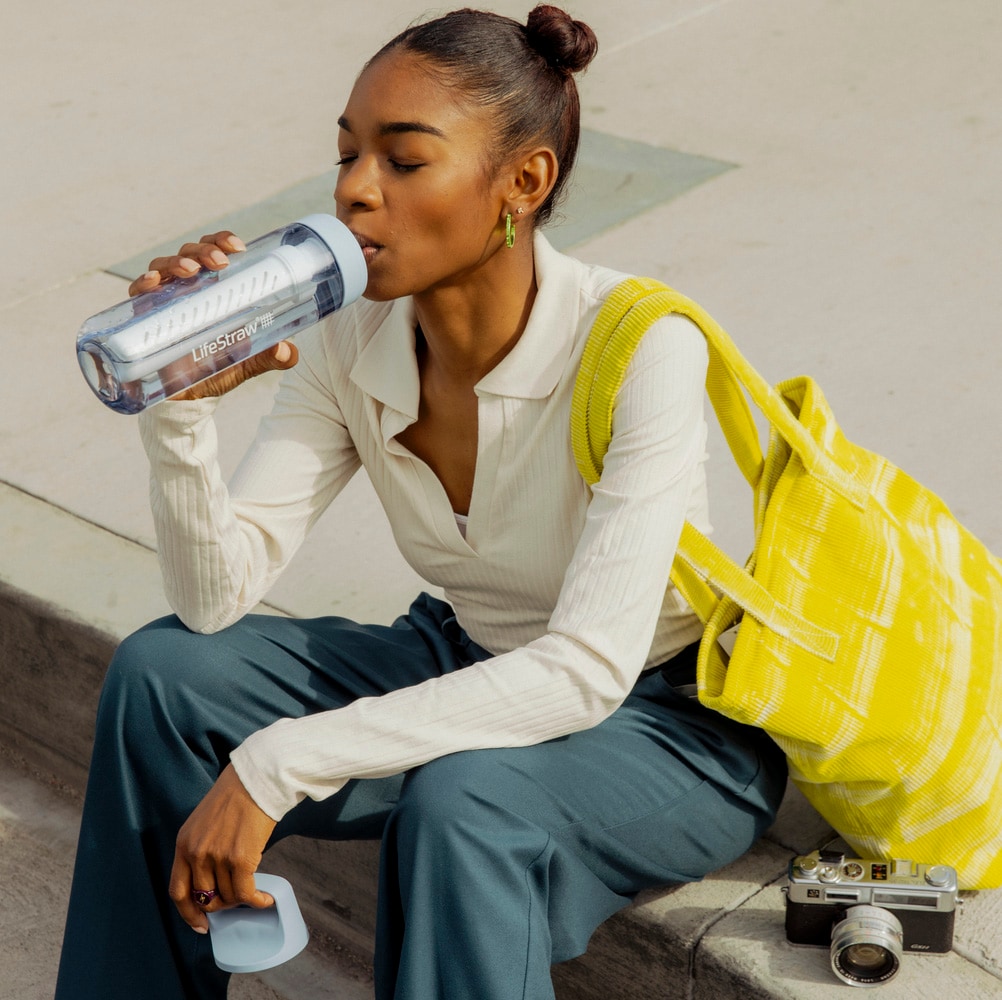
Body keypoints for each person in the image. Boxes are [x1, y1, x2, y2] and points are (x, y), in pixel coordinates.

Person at [55, 6, 787, 999]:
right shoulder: (352, 337)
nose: (354, 190)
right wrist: (176, 412)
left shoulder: (641, 346)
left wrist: (276, 766)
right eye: (350, 154)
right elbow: (212, 600)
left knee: (463, 801)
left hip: (666, 721)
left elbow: (584, 670)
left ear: (521, 184)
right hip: (467, 652)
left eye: (404, 162)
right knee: (161, 675)